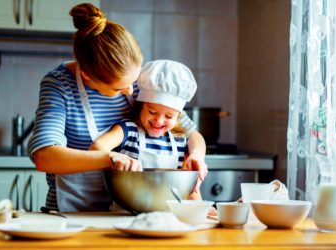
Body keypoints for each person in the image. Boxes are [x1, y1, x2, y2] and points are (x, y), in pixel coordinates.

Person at [27, 3, 207, 212]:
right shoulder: (60, 85)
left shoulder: (143, 82)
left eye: (134, 81)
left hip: (129, 214)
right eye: (120, 88)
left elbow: (191, 134)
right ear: (87, 75)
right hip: (73, 214)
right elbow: (45, 156)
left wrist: (196, 156)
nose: (131, 91)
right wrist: (109, 158)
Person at [90, 60, 205, 199]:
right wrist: (114, 158)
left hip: (168, 214)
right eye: (152, 112)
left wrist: (199, 207)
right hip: (125, 213)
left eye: (169, 116)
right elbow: (97, 147)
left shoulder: (180, 140)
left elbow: (189, 189)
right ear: (141, 107)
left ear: (179, 117)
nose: (159, 120)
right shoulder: (128, 130)